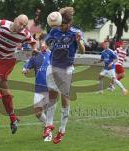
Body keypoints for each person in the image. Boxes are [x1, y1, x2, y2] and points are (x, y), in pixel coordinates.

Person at [43, 7, 85, 144]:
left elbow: (83, 51)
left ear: (69, 24)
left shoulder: (75, 33)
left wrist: (78, 41)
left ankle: (62, 129)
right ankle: (49, 126)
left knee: (64, 99)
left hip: (66, 69)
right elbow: (48, 44)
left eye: (63, 25)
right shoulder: (54, 30)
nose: (60, 27)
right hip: (52, 66)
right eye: (59, 25)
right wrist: (45, 45)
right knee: (52, 96)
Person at [22, 34, 52, 141]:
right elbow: (26, 67)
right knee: (37, 112)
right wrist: (25, 70)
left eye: (44, 42)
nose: (42, 44)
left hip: (51, 89)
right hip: (38, 88)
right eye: (41, 42)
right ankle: (47, 126)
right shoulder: (35, 56)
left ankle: (48, 132)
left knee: (49, 111)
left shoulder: (53, 56)